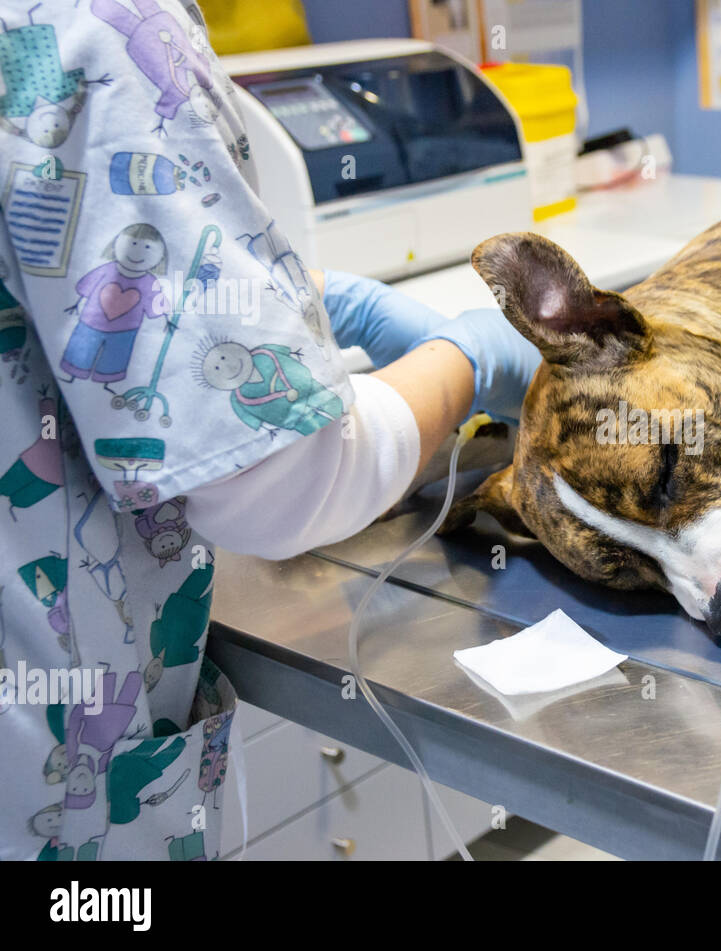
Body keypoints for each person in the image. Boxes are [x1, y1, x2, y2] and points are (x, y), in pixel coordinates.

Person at [0, 0, 540, 860]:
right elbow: (290, 480)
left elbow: (67, 276)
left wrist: (289, 300)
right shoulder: (104, 22)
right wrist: (463, 359)